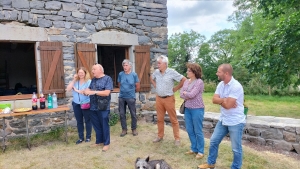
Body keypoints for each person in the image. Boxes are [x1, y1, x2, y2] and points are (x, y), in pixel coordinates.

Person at [198, 64, 246, 169]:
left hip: (236, 121)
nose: (216, 73)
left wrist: (222, 100)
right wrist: (224, 100)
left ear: (226, 73)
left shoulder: (236, 86)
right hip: (223, 120)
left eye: (218, 71)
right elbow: (214, 99)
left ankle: (235, 167)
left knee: (236, 148)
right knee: (214, 141)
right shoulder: (221, 85)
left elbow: (228, 106)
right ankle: (211, 164)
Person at [150, 55, 186, 146]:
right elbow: (151, 77)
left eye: (159, 63)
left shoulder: (171, 72)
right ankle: (160, 136)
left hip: (169, 99)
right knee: (159, 119)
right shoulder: (157, 72)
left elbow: (184, 79)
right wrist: (155, 85)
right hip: (159, 99)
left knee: (173, 119)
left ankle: (177, 138)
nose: (158, 65)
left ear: (165, 64)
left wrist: (176, 88)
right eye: (157, 63)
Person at [83, 64, 113, 152]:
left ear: (100, 70)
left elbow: (107, 92)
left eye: (94, 69)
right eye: (92, 69)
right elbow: (88, 89)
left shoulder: (107, 79)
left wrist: (94, 92)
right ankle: (99, 141)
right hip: (93, 106)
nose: (92, 71)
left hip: (103, 106)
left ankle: (106, 143)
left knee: (104, 125)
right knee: (96, 125)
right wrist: (85, 91)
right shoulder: (93, 80)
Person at [180, 63, 205, 159]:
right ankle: (194, 148)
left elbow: (192, 95)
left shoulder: (199, 82)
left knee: (198, 130)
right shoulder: (186, 81)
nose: (187, 72)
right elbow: (181, 94)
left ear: (194, 72)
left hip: (197, 109)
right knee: (189, 129)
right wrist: (186, 93)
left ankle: (201, 151)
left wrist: (186, 93)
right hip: (187, 109)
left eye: (189, 71)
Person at [66, 67, 92, 144]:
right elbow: (68, 89)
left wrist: (76, 90)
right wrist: (74, 80)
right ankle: (81, 138)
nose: (80, 74)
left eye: (82, 73)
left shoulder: (88, 82)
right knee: (79, 121)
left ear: (85, 73)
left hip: (86, 103)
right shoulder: (75, 82)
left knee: (87, 120)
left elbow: (86, 92)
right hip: (76, 104)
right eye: (79, 73)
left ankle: (88, 137)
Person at [118, 59, 140, 137]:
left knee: (133, 114)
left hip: (131, 97)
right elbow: (119, 84)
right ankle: (124, 129)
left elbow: (137, 86)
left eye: (126, 65)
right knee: (121, 114)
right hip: (121, 97)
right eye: (124, 65)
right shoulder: (120, 74)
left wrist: (132, 93)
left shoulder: (134, 75)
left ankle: (134, 129)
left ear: (130, 66)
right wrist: (123, 91)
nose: (125, 67)